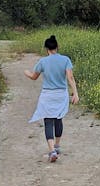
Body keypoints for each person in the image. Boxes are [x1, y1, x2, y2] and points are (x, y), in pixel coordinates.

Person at [24, 34, 79, 162]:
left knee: (48, 121)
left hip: (47, 95)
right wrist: (75, 93)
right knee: (58, 119)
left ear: (46, 48)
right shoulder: (65, 60)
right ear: (57, 47)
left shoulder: (43, 61)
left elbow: (34, 77)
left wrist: (26, 73)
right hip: (61, 94)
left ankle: (52, 150)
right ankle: (57, 145)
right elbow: (70, 78)